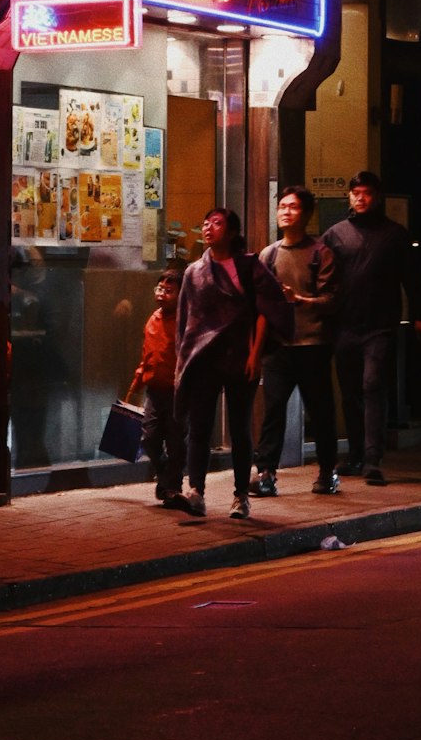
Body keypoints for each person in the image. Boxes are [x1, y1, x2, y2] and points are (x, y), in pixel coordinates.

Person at [174, 207, 294, 520]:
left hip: (241, 356)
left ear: (231, 232)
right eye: (205, 222)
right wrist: (184, 358)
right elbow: (186, 322)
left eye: (217, 223)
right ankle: (196, 491)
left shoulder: (249, 266)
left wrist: (256, 354)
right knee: (199, 427)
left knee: (240, 429)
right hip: (204, 360)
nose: (208, 227)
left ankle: (241, 496)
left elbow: (266, 309)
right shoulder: (193, 272)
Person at [322, 171, 421, 486]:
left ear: (377, 197)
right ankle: (355, 455)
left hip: (380, 326)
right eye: (355, 193)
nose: (360, 198)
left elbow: (412, 277)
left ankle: (372, 459)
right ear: (349, 197)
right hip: (344, 326)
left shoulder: (394, 235)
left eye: (367, 193)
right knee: (350, 392)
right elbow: (322, 279)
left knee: (372, 386)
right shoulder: (334, 235)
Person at [253, 186, 340, 497]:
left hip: (313, 344)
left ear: (306, 214)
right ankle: (265, 473)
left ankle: (328, 471)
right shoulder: (269, 253)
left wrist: (300, 299)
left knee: (320, 411)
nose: (285, 212)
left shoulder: (320, 253)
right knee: (273, 409)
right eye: (282, 206)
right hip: (279, 346)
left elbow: (331, 299)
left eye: (293, 207)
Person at [127, 268, 183, 507]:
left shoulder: (185, 321)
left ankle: (173, 487)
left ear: (182, 294)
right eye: (160, 289)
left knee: (175, 441)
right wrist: (135, 385)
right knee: (149, 438)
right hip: (154, 390)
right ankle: (165, 475)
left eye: (169, 291)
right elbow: (146, 357)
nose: (162, 294)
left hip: (177, 392)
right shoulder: (153, 319)